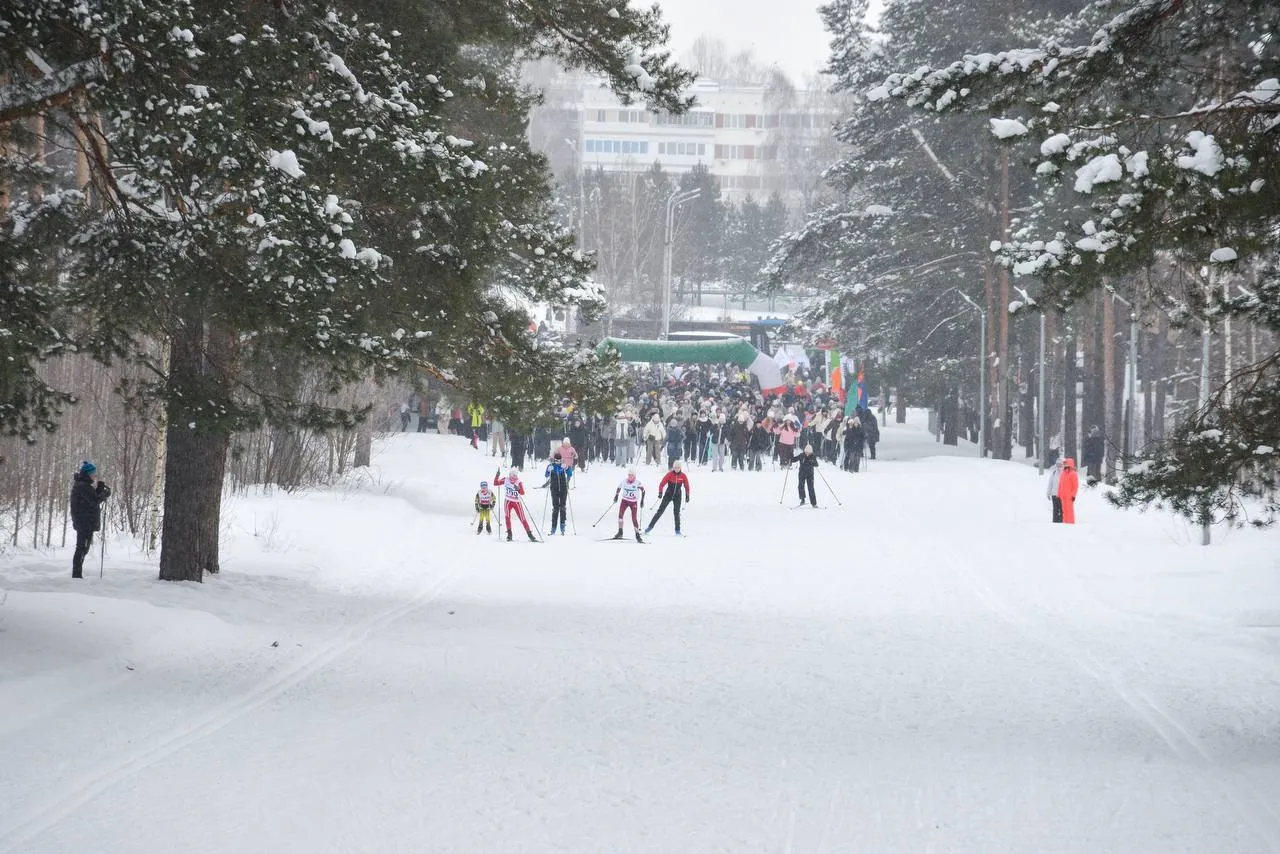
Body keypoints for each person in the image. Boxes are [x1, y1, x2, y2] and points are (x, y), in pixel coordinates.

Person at [70, 460, 111, 578]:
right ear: (88, 474)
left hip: (85, 521)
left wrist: (99, 490)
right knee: (82, 548)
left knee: (83, 548)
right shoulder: (82, 486)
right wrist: (103, 495)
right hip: (84, 522)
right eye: (93, 473)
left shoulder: (84, 485)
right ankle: (76, 574)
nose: (95, 475)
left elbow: (91, 498)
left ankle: (77, 573)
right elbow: (94, 501)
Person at [646, 460, 690, 536]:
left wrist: (687, 495)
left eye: (678, 468)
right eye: (675, 467)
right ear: (673, 468)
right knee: (660, 511)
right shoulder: (669, 474)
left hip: (677, 496)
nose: (677, 469)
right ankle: (649, 527)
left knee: (676, 513)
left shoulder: (683, 476)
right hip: (668, 495)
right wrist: (660, 492)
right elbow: (662, 483)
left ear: (680, 468)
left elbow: (687, 486)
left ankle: (677, 530)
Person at [493, 467, 537, 541]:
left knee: (522, 518)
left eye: (515, 475)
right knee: (507, 517)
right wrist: (497, 475)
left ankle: (530, 535)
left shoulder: (518, 482)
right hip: (508, 501)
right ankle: (509, 535)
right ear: (509, 474)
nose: (514, 477)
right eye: (512, 475)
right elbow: (495, 483)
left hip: (516, 502)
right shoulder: (506, 479)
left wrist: (518, 489)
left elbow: (522, 493)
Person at [541, 452, 572, 535]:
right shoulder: (551, 466)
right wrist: (548, 470)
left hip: (563, 489)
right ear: (554, 460)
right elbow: (546, 475)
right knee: (555, 509)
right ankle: (553, 528)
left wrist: (567, 468)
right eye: (556, 460)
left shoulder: (563, 466)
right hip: (554, 490)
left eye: (559, 460)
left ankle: (562, 526)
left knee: (562, 507)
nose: (558, 462)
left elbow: (570, 474)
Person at [611, 468, 646, 541]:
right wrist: (616, 495)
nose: (630, 477)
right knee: (620, 515)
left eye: (632, 475)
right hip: (624, 501)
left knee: (634, 518)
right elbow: (619, 487)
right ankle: (620, 532)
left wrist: (642, 500)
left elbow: (643, 491)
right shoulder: (624, 481)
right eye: (629, 475)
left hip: (633, 502)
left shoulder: (637, 483)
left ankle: (637, 535)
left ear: (634, 476)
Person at [1058, 457, 1079, 524]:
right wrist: (1059, 494)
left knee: (1069, 511)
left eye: (1067, 464)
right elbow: (1060, 485)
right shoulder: (1063, 474)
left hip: (1069, 496)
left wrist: (1073, 495)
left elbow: (1075, 486)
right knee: (1064, 511)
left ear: (1070, 464)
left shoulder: (1073, 474)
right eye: (1065, 464)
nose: (1065, 465)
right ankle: (1065, 523)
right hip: (1063, 496)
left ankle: (1070, 524)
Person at [1046, 457, 1064, 523]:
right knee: (1055, 509)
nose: (1059, 466)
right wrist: (1048, 493)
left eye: (1060, 465)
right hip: (1054, 494)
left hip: (1062, 495)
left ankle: (1061, 521)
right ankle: (1055, 522)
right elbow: (1050, 484)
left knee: (1062, 509)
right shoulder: (1054, 473)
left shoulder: (1065, 474)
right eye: (1057, 465)